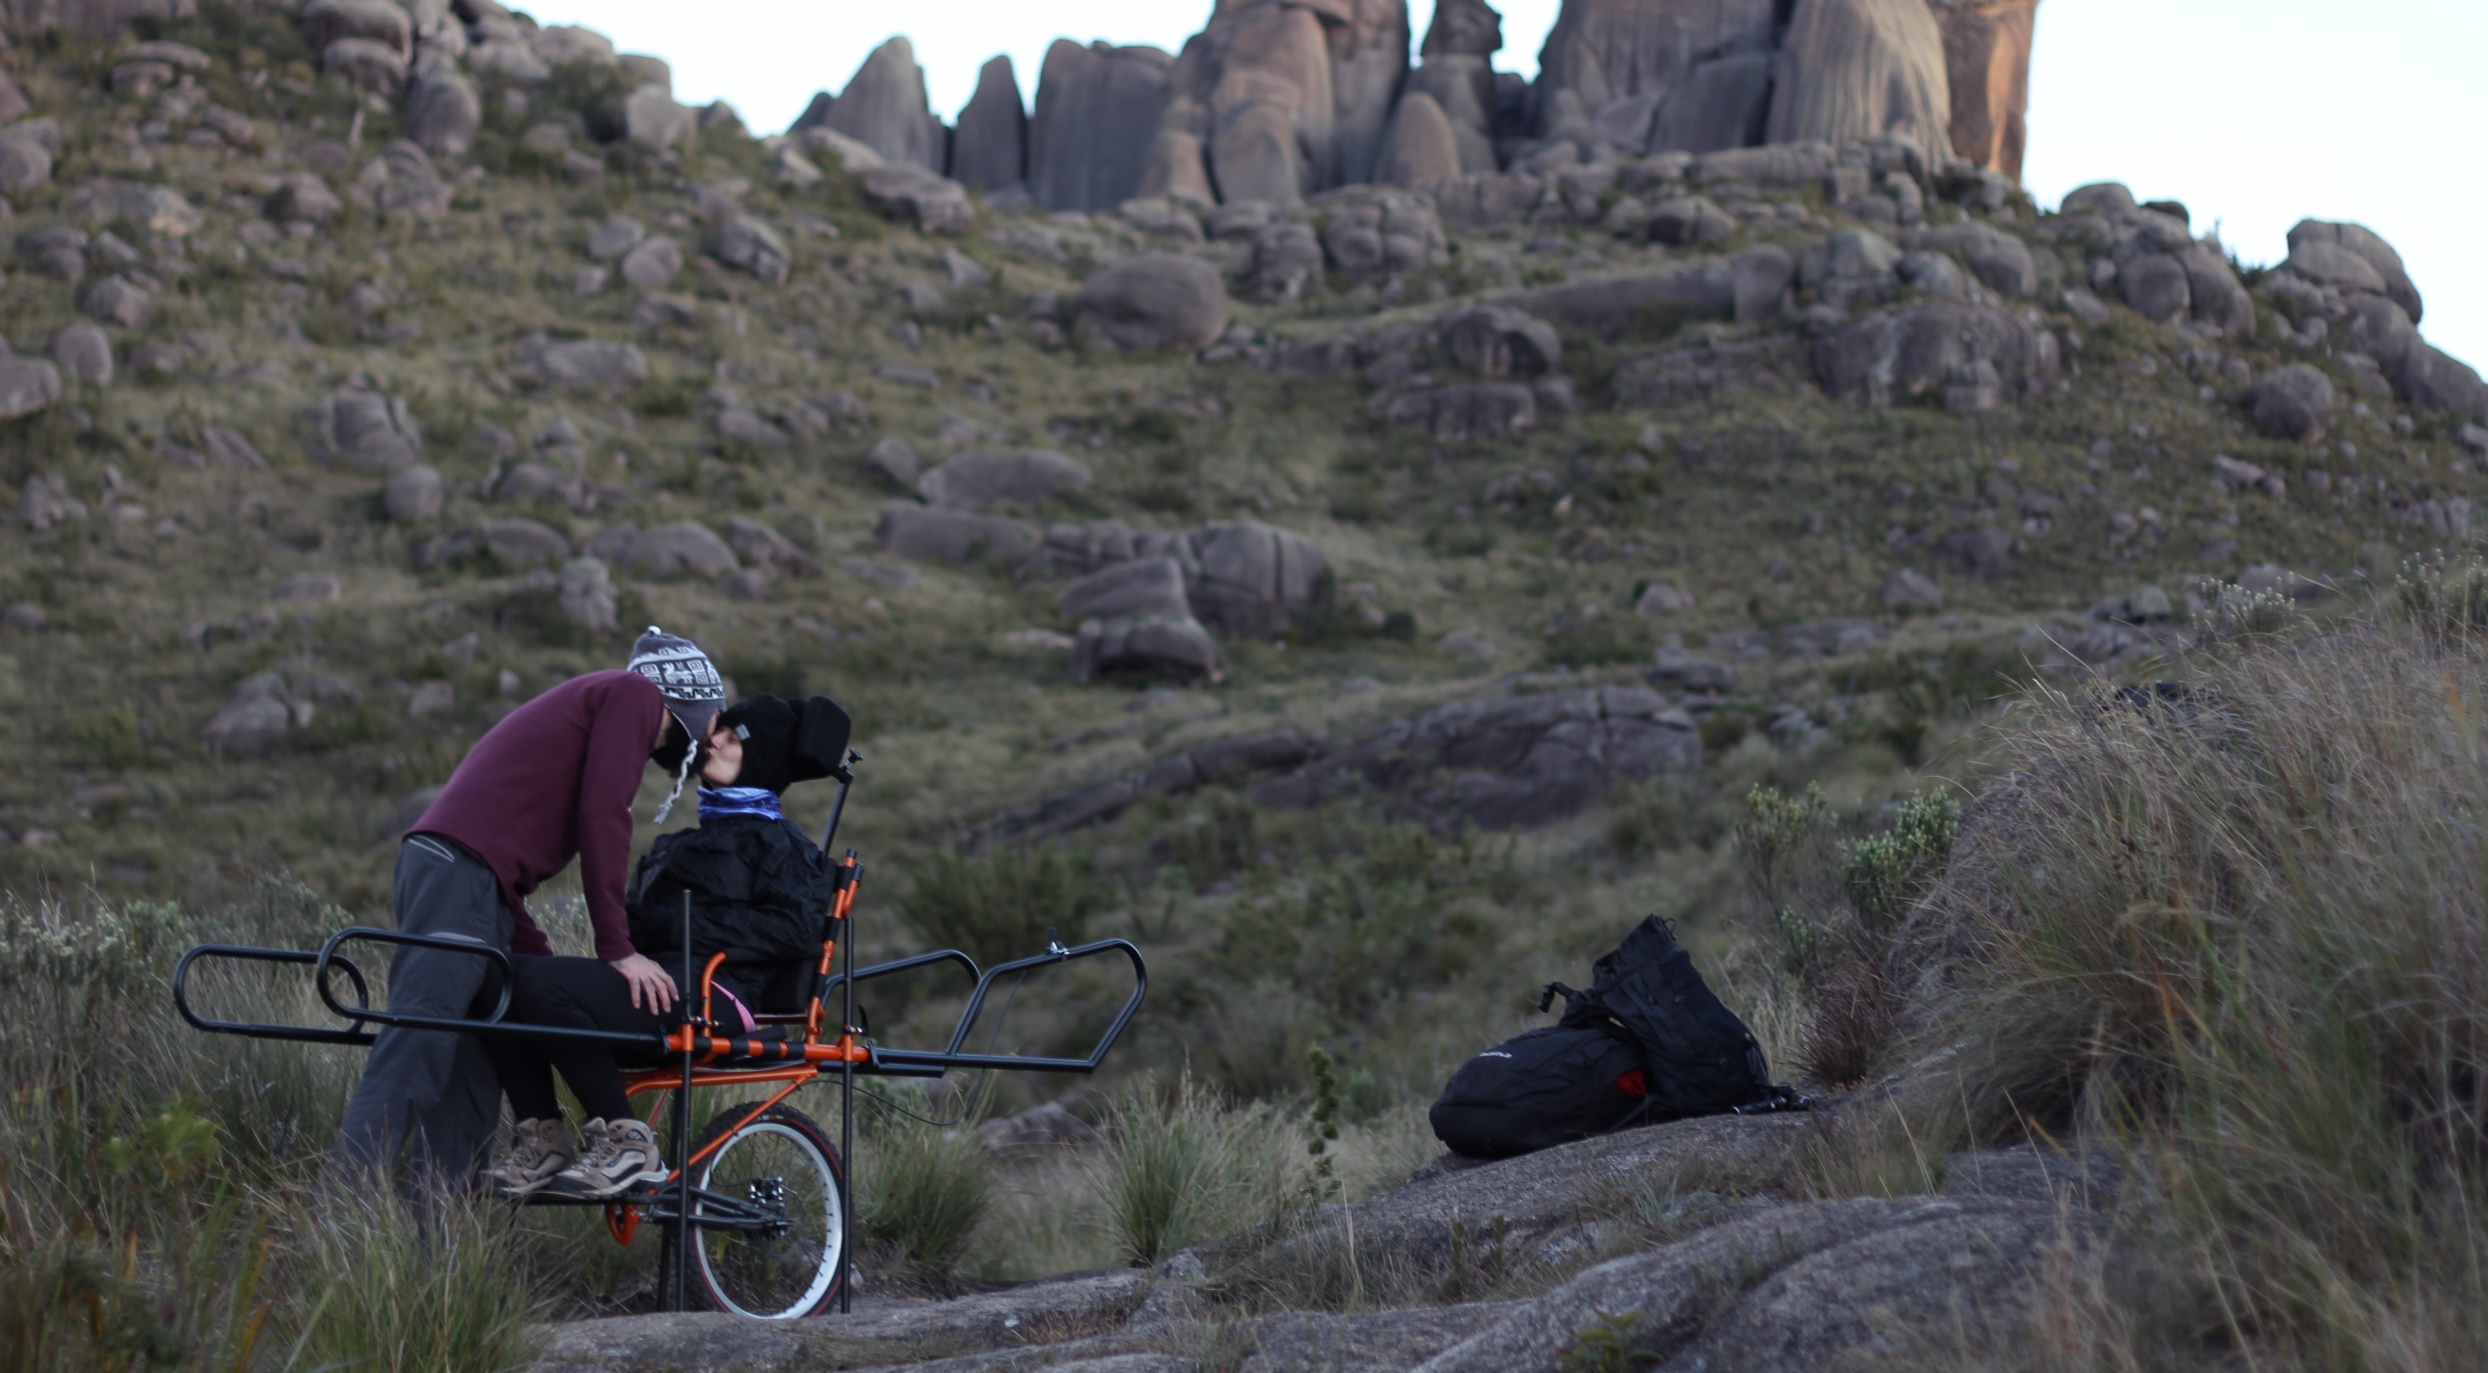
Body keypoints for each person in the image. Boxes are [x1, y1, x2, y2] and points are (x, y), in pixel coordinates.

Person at [324, 627, 727, 1194]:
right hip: (456, 872)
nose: (716, 740)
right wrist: (618, 949)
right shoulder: (635, 695)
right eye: (716, 719)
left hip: (473, 880)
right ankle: (339, 1214)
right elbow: (604, 816)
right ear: (693, 704)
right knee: (416, 1047)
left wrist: (538, 969)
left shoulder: (604, 700)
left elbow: (503, 872)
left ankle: (431, 1253)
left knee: (470, 1075)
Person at [481, 694, 845, 1199]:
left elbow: (794, 930)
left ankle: (629, 1143)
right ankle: (544, 1140)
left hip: (720, 995)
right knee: (498, 975)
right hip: (661, 983)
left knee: (541, 981)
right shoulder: (675, 846)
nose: (710, 739)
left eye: (732, 737)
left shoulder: (783, 846)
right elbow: (634, 933)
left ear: (762, 757)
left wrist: (684, 928)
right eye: (717, 731)